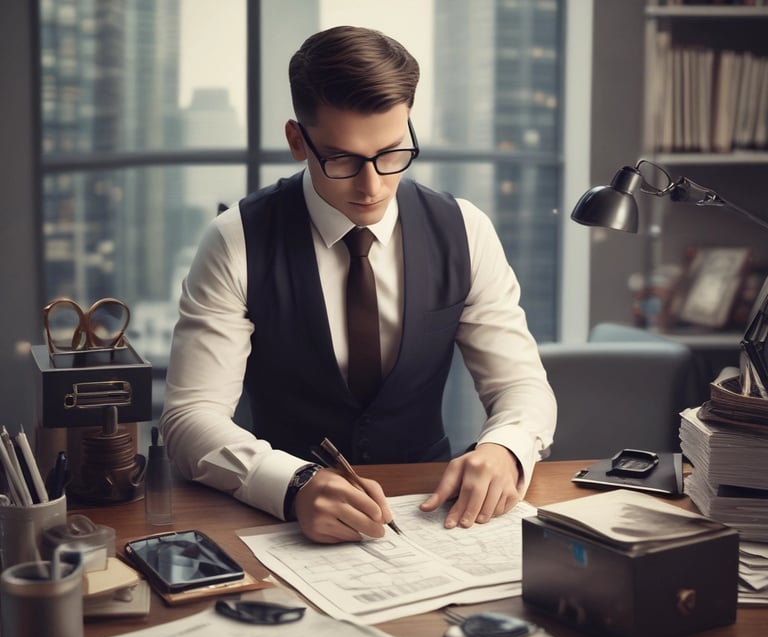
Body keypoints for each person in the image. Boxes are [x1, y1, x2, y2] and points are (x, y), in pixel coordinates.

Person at [160, 25, 556, 544]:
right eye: (343, 159)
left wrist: (506, 448)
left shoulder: (465, 230)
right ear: (297, 141)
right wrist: (292, 483)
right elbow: (190, 417)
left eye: (391, 153)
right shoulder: (236, 240)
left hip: (432, 511)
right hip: (286, 523)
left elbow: (521, 386)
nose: (373, 187)